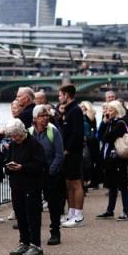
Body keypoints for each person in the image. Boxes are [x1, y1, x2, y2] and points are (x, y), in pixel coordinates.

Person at [3, 119, 47, 255]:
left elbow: (41, 165)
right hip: (16, 185)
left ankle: (36, 245)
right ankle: (24, 242)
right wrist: (8, 167)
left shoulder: (35, 144)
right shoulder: (13, 144)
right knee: (20, 215)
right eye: (12, 136)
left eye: (16, 135)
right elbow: (7, 160)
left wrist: (22, 167)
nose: (14, 138)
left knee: (32, 215)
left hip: (31, 185)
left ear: (22, 131)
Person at [30, 104, 65, 245]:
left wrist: (51, 171)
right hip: (35, 174)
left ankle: (55, 231)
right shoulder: (29, 132)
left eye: (46, 116)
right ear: (35, 118)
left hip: (51, 173)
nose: (45, 118)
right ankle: (34, 232)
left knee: (53, 204)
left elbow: (59, 154)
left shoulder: (53, 131)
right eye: (41, 116)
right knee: (34, 204)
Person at [96, 101, 128, 221]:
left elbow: (108, 137)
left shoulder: (120, 123)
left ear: (117, 110)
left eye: (110, 110)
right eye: (107, 110)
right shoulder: (108, 123)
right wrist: (104, 122)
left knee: (123, 185)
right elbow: (99, 136)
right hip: (109, 159)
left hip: (119, 158)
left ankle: (126, 211)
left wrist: (107, 128)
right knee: (112, 186)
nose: (107, 112)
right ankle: (110, 210)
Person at [57, 84, 85, 227]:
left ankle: (79, 215)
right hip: (67, 152)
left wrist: (67, 149)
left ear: (67, 95)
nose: (59, 97)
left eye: (60, 95)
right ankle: (72, 212)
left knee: (75, 183)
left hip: (73, 153)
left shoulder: (75, 111)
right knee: (68, 183)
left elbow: (77, 134)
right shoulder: (68, 111)